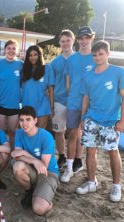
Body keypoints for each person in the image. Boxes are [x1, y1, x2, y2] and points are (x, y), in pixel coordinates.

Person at [76, 40, 124, 202]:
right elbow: (85, 97)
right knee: (90, 150)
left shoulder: (119, 72)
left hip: (111, 121)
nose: (98, 57)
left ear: (108, 54)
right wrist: (83, 117)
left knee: (113, 151)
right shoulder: (88, 75)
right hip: (92, 118)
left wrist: (122, 121)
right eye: (95, 55)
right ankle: (92, 182)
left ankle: (116, 186)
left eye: (101, 54)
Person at [60, 26, 96, 183]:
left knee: (89, 139)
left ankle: (89, 173)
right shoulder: (72, 59)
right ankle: (69, 169)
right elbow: (68, 83)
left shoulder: (96, 57)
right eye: (81, 38)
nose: (83, 41)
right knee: (73, 135)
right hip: (74, 102)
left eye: (86, 37)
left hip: (93, 104)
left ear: (91, 38)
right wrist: (75, 96)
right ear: (78, 40)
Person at [11, 106, 59, 215]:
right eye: (21, 120)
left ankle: (46, 198)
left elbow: (43, 166)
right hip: (32, 169)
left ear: (35, 120)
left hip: (48, 173)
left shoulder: (46, 136)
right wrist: (34, 161)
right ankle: (29, 191)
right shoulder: (19, 133)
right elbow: (16, 155)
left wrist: (24, 154)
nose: (24, 123)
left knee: (38, 209)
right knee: (17, 166)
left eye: (28, 119)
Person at [49, 29, 75, 169]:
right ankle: (62, 156)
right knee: (59, 131)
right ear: (59, 42)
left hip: (75, 101)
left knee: (73, 133)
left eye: (68, 40)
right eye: (62, 41)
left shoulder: (78, 58)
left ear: (73, 40)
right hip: (59, 100)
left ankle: (74, 159)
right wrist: (51, 105)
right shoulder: (54, 63)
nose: (65, 43)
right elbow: (51, 86)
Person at [0, 39, 23, 149]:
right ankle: (0, 153)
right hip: (0, 102)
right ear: (4, 50)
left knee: (12, 132)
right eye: (9, 48)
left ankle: (11, 154)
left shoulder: (21, 65)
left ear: (17, 51)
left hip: (14, 104)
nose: (11, 51)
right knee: (0, 131)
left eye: (14, 48)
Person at [21, 45, 54, 129]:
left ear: (39, 55)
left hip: (43, 107)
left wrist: (52, 107)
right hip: (27, 107)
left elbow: (50, 89)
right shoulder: (23, 69)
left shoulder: (47, 68)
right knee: (28, 133)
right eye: (30, 55)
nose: (33, 57)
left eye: (35, 54)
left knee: (40, 133)